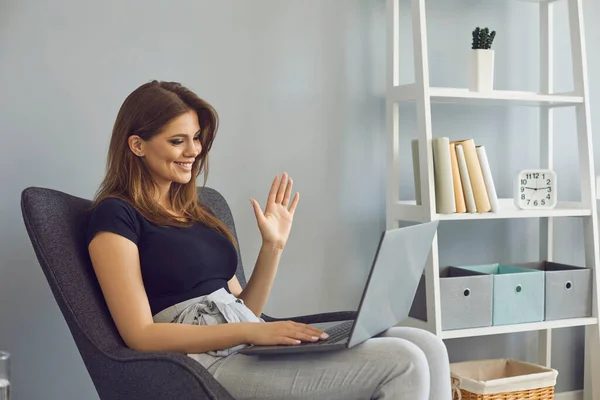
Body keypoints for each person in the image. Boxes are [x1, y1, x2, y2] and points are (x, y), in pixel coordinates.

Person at [86, 80, 452, 400]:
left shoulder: (199, 210)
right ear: (137, 145)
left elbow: (247, 307)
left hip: (244, 342)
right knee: (405, 363)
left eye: (196, 138)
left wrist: (272, 247)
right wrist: (253, 333)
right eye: (178, 141)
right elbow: (140, 334)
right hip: (198, 366)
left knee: (427, 345)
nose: (194, 151)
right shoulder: (116, 215)